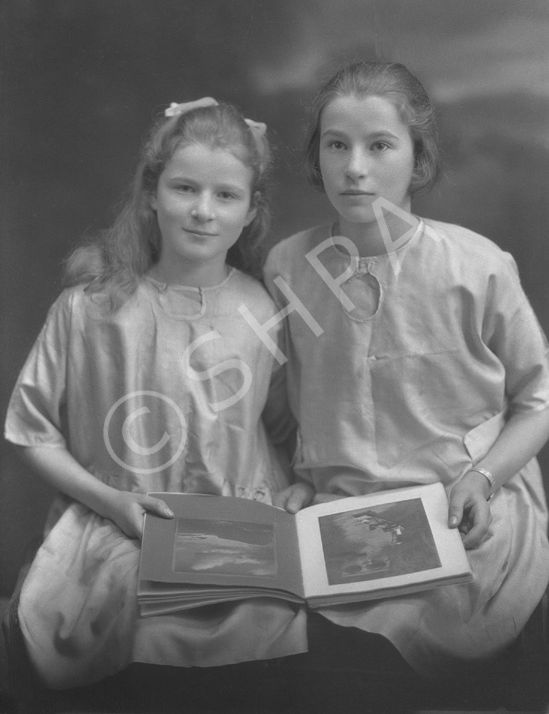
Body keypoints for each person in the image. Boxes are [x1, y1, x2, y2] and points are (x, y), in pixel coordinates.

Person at [4, 97, 309, 690]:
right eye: (184, 188)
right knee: (126, 618)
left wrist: (298, 482)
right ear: (152, 194)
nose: (202, 211)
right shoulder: (91, 308)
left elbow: (280, 425)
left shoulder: (263, 310)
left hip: (235, 526)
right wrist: (112, 502)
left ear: (251, 212)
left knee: (252, 630)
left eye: (226, 196)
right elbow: (29, 431)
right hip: (117, 522)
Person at [265, 61, 549, 676]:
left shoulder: (478, 266)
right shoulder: (289, 267)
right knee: (274, 633)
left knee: (429, 627)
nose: (355, 167)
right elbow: (289, 401)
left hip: (459, 508)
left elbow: (538, 399)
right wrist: (298, 477)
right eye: (336, 145)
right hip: (341, 512)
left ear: (417, 160)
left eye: (380, 146)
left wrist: (483, 479)